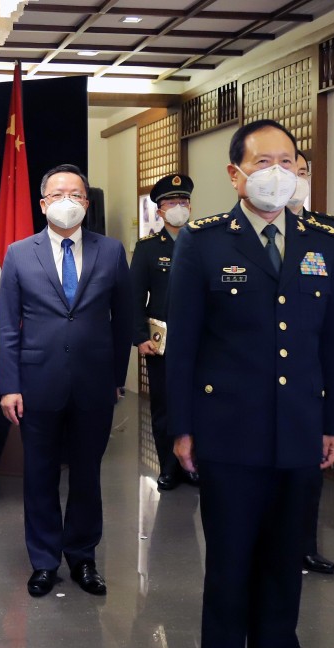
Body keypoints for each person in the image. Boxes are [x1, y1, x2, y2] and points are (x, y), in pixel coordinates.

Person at [167, 120, 334, 648]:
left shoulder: (325, 236)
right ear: (235, 173)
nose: (279, 173)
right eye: (264, 162)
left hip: (298, 433)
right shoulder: (203, 240)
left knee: (282, 569)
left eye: (289, 162)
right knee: (228, 568)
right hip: (228, 434)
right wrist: (182, 429)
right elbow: (184, 346)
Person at [0, 163, 132, 598]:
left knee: (88, 475)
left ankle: (83, 556)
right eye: (57, 194)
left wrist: (116, 378)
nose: (67, 202)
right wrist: (10, 385)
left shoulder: (110, 251)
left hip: (94, 384)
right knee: (39, 475)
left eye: (76, 194)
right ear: (42, 203)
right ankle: (44, 560)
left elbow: (123, 320)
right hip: (37, 383)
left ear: (87, 204)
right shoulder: (19, 253)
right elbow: (6, 326)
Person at [288, 149, 334, 576]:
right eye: (288, 169)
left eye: (302, 171)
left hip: (310, 372)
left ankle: (305, 544)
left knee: (308, 474)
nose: (295, 177)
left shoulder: (329, 232)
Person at [130, 173, 198, 491]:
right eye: (172, 202)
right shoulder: (147, 249)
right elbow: (133, 297)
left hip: (202, 341)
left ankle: (193, 464)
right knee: (165, 405)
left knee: (199, 402)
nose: (179, 207)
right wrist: (140, 336)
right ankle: (169, 466)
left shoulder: (203, 243)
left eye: (184, 201)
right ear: (159, 210)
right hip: (163, 342)